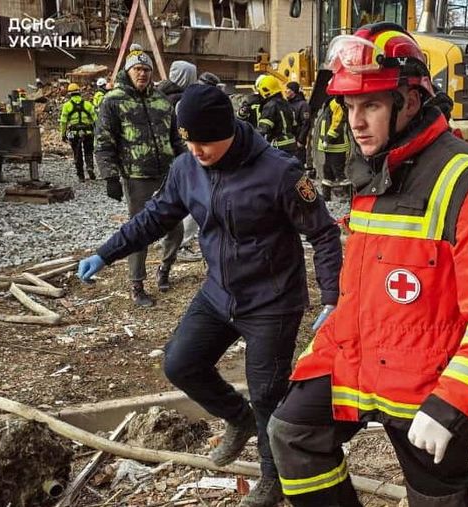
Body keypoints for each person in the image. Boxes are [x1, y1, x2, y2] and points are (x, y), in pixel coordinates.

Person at [266, 23, 468, 506]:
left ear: (409, 101)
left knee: (436, 496)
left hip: (429, 376)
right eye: (349, 106)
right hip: (358, 356)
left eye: (370, 105)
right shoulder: (376, 169)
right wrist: (320, 351)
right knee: (292, 433)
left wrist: (454, 400)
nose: (356, 122)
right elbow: (362, 287)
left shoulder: (467, 180)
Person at [78, 84, 342, 506]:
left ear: (229, 131)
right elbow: (154, 217)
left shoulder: (280, 172)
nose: (196, 150)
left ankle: (273, 479)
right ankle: (238, 418)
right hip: (219, 293)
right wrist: (105, 253)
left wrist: (332, 296)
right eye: (189, 141)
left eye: (205, 142)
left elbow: (324, 233)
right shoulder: (187, 167)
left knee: (267, 394)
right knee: (180, 363)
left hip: (271, 301)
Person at [93, 47, 186, 307]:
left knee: (176, 228)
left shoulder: (162, 101)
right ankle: (137, 284)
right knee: (139, 232)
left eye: (146, 69)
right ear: (128, 71)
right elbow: (103, 142)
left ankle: (165, 267)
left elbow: (175, 139)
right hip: (136, 176)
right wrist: (110, 176)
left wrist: (187, 163)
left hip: (167, 174)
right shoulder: (113, 101)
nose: (142, 74)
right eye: (137, 69)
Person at [59, 83, 98, 182]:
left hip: (74, 133)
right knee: (88, 151)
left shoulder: (66, 106)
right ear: (79, 92)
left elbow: (63, 122)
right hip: (88, 132)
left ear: (69, 93)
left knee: (77, 154)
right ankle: (90, 167)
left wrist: (63, 134)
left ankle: (81, 176)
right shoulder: (88, 104)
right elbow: (95, 119)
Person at [316, 96, 349, 200]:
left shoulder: (337, 104)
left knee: (339, 171)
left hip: (337, 145)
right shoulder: (331, 103)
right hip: (330, 146)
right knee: (327, 171)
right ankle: (326, 196)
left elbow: (337, 124)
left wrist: (328, 139)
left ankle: (348, 195)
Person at [253, 74, 297, 154]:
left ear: (266, 91)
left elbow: (263, 129)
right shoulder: (287, 103)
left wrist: (249, 136)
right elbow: (294, 126)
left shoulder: (270, 105)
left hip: (277, 147)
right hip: (291, 145)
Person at [285, 81, 311, 169]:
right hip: (289, 141)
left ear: (293, 91)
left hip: (297, 141)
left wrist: (301, 140)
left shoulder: (303, 105)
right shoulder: (287, 104)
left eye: (288, 89)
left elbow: (306, 123)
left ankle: (303, 179)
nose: (286, 91)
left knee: (298, 167)